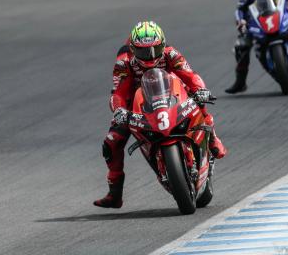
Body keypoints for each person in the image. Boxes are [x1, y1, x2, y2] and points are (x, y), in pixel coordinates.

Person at [94, 21, 226, 208]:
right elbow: (119, 92)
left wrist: (201, 89)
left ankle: (212, 138)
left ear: (163, 45)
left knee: (198, 99)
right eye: (142, 52)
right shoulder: (124, 62)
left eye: (155, 49)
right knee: (111, 142)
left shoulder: (171, 53)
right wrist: (119, 110)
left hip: (173, 94)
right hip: (137, 103)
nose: (150, 56)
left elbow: (189, 74)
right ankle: (115, 194)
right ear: (132, 49)